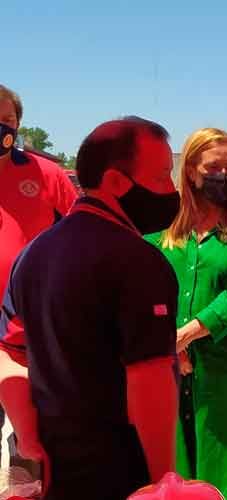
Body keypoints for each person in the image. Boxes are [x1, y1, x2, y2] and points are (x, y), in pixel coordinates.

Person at [0, 116, 181, 499]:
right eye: (163, 176)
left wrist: (29, 437)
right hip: (120, 473)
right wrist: (163, 482)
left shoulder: (33, 253)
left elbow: (9, 352)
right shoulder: (139, 261)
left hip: (57, 472)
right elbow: (149, 384)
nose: (172, 190)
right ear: (116, 182)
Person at [146, 128, 227, 499]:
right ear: (191, 171)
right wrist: (169, 341)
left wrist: (187, 334)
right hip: (169, 378)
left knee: (222, 484)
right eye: (214, 167)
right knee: (173, 482)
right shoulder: (163, 231)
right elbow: (146, 289)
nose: (224, 175)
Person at [0, 84, 79, 464]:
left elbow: (85, 234)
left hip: (29, 330)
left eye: (7, 121)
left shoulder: (46, 174)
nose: (1, 129)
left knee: (33, 439)